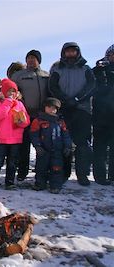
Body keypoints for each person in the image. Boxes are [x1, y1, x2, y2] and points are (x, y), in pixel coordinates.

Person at [49, 42, 95, 186]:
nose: (70, 54)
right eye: (67, 51)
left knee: (82, 144)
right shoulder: (57, 69)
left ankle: (82, 174)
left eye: (72, 51)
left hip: (82, 110)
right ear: (63, 53)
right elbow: (53, 87)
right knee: (63, 143)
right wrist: (65, 100)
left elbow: (91, 86)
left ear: (77, 52)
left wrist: (76, 99)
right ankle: (63, 173)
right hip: (63, 110)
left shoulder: (85, 68)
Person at [0, 78, 30, 192]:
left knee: (12, 163)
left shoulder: (19, 104)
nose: (11, 93)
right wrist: (8, 102)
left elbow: (27, 120)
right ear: (4, 92)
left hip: (16, 139)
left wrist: (22, 122)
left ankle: (9, 182)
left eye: (13, 91)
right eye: (9, 91)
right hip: (2, 139)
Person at [11, 50, 50, 181]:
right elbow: (10, 89)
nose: (31, 60)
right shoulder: (18, 75)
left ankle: (41, 172)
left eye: (34, 58)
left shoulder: (46, 75)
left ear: (39, 60)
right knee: (24, 145)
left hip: (42, 116)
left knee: (42, 145)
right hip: (24, 115)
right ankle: (22, 171)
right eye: (29, 58)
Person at [30, 98, 72, 193]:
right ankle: (40, 183)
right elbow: (34, 134)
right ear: (45, 107)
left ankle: (55, 185)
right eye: (49, 107)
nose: (51, 110)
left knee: (57, 168)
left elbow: (66, 135)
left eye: (54, 108)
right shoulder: (38, 120)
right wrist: (37, 146)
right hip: (43, 150)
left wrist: (67, 146)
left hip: (57, 150)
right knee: (41, 168)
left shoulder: (60, 121)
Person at [92, 44, 114, 185]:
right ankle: (100, 177)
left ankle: (112, 176)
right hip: (101, 115)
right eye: (112, 54)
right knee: (99, 148)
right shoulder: (98, 70)